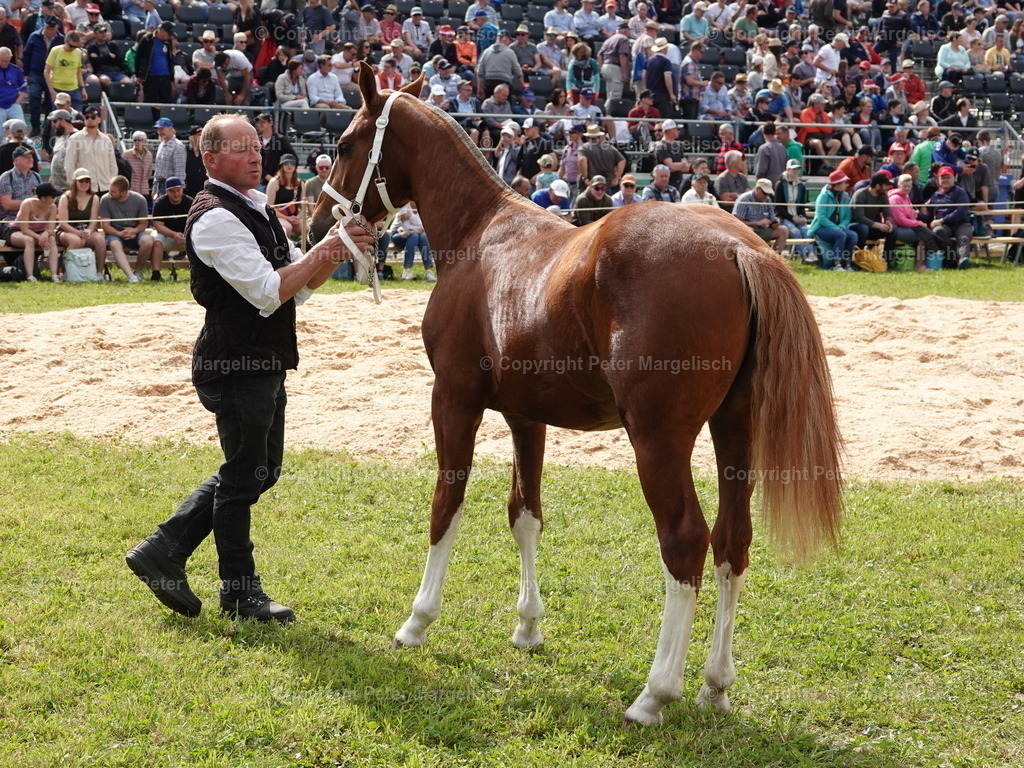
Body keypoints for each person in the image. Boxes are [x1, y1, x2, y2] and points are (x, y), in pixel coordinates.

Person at [125, 113, 376, 623]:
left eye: (255, 145)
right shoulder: (216, 216)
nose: (255, 154)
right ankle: (238, 591)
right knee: (244, 478)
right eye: (240, 148)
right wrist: (328, 247)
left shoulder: (254, 207)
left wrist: (337, 251)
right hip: (234, 366)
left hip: (261, 363)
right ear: (211, 159)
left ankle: (165, 547)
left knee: (259, 473)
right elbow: (267, 291)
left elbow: (297, 288)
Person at [100, 174, 161, 282]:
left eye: (113, 191)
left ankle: (138, 272)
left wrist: (134, 230)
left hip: (135, 232)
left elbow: (143, 223)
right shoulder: (105, 200)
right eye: (110, 189)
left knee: (147, 241)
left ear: (123, 192)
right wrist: (119, 234)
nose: (109, 193)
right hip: (115, 233)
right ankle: (130, 276)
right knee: (115, 244)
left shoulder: (140, 199)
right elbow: (105, 226)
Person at [888, 172, 943, 270]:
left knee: (925, 233)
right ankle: (919, 264)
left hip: (906, 227)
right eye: (905, 186)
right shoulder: (895, 199)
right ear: (899, 185)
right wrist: (918, 223)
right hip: (895, 229)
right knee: (922, 236)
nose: (907, 188)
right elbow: (900, 220)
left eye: (909, 186)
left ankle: (924, 262)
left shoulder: (906, 197)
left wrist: (914, 215)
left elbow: (909, 216)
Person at [58, 166, 105, 279]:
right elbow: (63, 223)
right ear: (75, 182)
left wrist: (86, 233)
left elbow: (93, 221)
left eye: (87, 181)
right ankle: (69, 273)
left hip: (87, 230)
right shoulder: (65, 197)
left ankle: (98, 273)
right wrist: (79, 234)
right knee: (75, 241)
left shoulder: (94, 198)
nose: (84, 183)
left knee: (100, 240)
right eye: (81, 181)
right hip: (68, 230)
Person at [9, 181, 59, 282]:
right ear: (43, 198)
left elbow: (51, 229)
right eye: (52, 197)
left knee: (52, 240)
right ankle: (30, 276)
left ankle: (54, 275)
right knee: (29, 240)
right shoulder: (27, 204)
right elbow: (24, 229)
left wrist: (46, 233)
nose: (55, 199)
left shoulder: (53, 207)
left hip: (39, 233)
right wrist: (39, 237)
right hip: (17, 231)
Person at [809, 170, 858, 271]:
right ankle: (837, 264)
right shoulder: (823, 196)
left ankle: (847, 263)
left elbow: (847, 216)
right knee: (841, 235)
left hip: (839, 228)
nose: (847, 184)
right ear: (838, 183)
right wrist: (837, 228)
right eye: (845, 182)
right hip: (821, 228)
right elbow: (821, 217)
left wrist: (842, 226)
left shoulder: (845, 196)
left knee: (853, 235)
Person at [63, 104, 118, 193]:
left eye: (93, 117)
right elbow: (69, 165)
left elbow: (112, 166)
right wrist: (73, 186)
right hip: (84, 188)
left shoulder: (106, 140)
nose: (89, 119)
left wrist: (111, 183)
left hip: (105, 188)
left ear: (99, 119)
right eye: (87, 117)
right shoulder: (75, 139)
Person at [928, 165, 973, 268]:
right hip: (945, 226)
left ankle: (963, 259)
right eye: (943, 178)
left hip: (961, 223)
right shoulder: (935, 195)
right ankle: (954, 259)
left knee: (964, 237)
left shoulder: (960, 192)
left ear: (954, 178)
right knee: (937, 232)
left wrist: (943, 220)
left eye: (948, 177)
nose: (945, 180)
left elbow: (961, 211)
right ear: (938, 180)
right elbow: (930, 213)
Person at [733, 178, 788, 255]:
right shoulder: (744, 199)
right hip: (746, 232)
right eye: (765, 193)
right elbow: (736, 222)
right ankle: (750, 257)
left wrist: (775, 223)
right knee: (750, 231)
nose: (767, 196)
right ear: (757, 189)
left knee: (783, 230)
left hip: (762, 231)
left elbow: (772, 219)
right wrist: (757, 223)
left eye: (768, 193)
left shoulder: (768, 200)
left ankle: (775, 258)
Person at [850, 171, 898, 259]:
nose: (888, 187)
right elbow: (859, 217)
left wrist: (888, 221)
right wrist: (878, 225)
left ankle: (887, 260)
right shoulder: (860, 194)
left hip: (872, 227)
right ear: (878, 186)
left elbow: (887, 212)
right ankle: (858, 259)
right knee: (863, 228)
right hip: (856, 226)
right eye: (885, 185)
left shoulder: (883, 195)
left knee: (893, 230)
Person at [775, 159, 814, 263]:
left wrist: (803, 217)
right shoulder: (780, 184)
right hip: (784, 218)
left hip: (797, 217)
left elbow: (801, 205)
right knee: (795, 232)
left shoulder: (801, 186)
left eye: (797, 169)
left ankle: (811, 254)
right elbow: (778, 207)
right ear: (787, 170)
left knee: (806, 231)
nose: (796, 172)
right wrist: (791, 217)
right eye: (793, 169)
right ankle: (806, 256)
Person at [135, 21, 176, 111]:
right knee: (150, 102)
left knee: (166, 101)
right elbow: (138, 57)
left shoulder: (168, 42)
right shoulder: (147, 39)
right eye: (168, 33)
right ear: (161, 30)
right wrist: (138, 75)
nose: (169, 36)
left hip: (165, 76)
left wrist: (172, 76)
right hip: (150, 76)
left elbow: (170, 59)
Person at [390, 203, 435, 281]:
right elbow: (406, 228)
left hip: (414, 236)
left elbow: (425, 225)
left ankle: (429, 271)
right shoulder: (404, 206)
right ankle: (406, 270)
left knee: (423, 236)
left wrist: (411, 216)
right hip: (398, 235)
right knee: (414, 235)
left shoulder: (422, 206)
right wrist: (418, 227)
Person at [44, 29, 86, 111]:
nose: (73, 48)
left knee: (78, 115)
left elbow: (78, 72)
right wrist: (52, 91)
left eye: (76, 46)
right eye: (71, 46)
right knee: (59, 115)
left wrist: (82, 88)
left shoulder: (78, 52)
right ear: (65, 41)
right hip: (58, 88)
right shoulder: (55, 50)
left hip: (73, 88)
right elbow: (46, 72)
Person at [264, 153, 304, 239]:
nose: (289, 165)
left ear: (296, 166)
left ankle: (304, 249)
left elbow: (303, 207)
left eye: (292, 163)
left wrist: (298, 217)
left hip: (294, 217)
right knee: (287, 228)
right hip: (277, 216)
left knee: (309, 228)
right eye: (286, 163)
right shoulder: (274, 182)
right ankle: (285, 251)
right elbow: (270, 207)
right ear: (281, 166)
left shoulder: (300, 183)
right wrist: (287, 218)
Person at [0, 145, 42, 224]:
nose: (30, 159)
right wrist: (31, 202)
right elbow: (7, 205)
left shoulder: (36, 176)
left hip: (33, 219)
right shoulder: (7, 177)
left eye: (31, 157)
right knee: (26, 237)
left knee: (49, 236)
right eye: (26, 157)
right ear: (16, 161)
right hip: (12, 219)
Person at [153, 116, 186, 199]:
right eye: (158, 129)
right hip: (159, 185)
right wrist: (154, 188)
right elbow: (157, 169)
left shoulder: (178, 146)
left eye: (162, 129)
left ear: (170, 128)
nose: (159, 132)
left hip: (171, 187)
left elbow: (180, 171)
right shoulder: (161, 145)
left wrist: (177, 190)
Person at [125, 130, 154, 202]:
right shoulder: (127, 154)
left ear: (144, 142)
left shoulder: (149, 155)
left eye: (139, 140)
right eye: (135, 140)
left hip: (144, 190)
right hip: (132, 190)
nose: (137, 142)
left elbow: (149, 173)